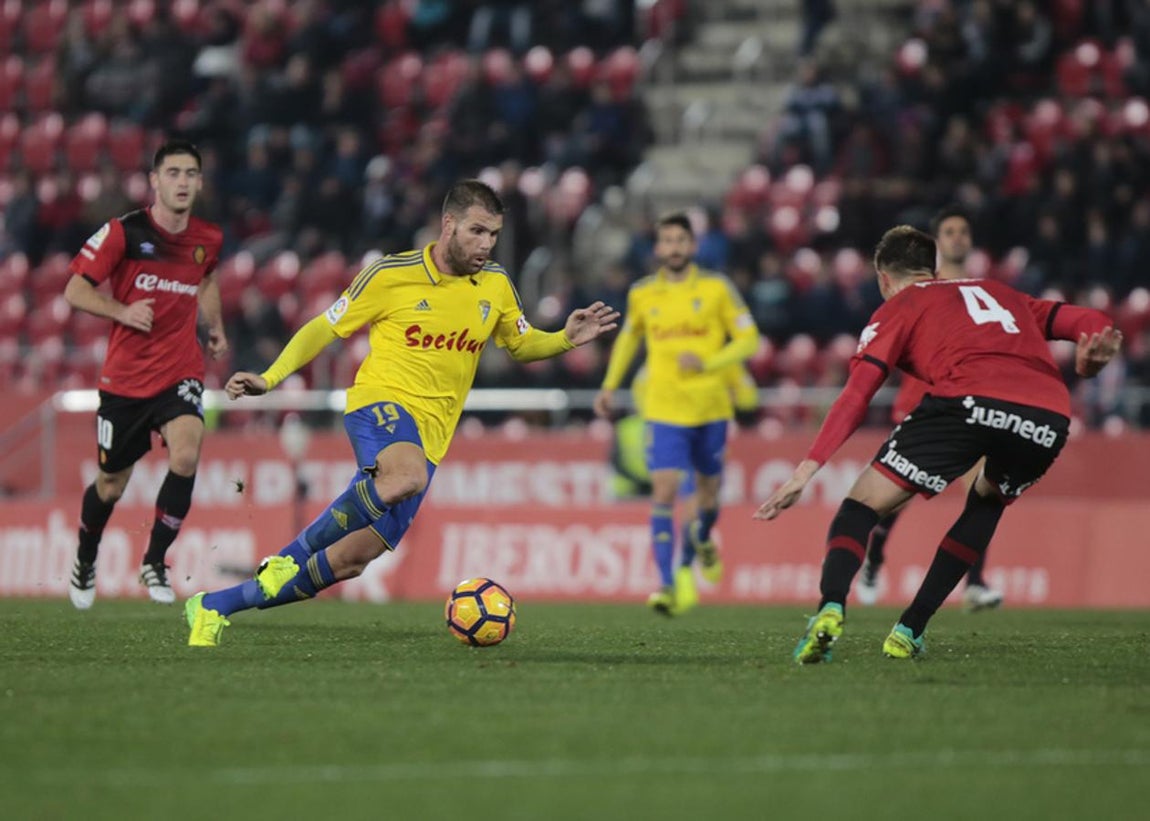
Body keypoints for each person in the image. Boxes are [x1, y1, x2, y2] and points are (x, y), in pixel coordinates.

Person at [185, 179, 618, 647]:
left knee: (351, 560)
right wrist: (271, 377)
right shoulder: (391, 274)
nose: (485, 244)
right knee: (403, 477)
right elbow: (324, 328)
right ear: (448, 224)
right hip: (380, 403)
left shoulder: (494, 284)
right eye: (476, 231)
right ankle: (291, 554)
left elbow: (519, 342)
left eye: (492, 234)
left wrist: (563, 339)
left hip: (431, 439)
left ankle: (213, 606)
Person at [754, 225, 1121, 663]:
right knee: (987, 501)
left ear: (883, 277)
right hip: (1047, 415)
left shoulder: (899, 306)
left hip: (968, 401)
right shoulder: (999, 292)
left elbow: (857, 393)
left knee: (860, 506)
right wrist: (1097, 348)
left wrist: (807, 468)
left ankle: (830, 608)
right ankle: (909, 629)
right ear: (933, 267)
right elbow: (1087, 321)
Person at [65, 139, 226, 610]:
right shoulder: (123, 233)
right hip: (125, 381)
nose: (182, 182)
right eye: (173, 173)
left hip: (180, 370)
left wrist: (214, 327)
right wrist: (121, 310)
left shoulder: (206, 240)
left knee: (187, 452)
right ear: (154, 181)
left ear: (199, 182)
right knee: (111, 484)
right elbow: (75, 290)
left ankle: (155, 560)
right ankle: (85, 556)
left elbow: (209, 278)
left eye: (190, 174)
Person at [594, 214, 760, 616]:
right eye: (666, 240)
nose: (673, 247)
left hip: (710, 406)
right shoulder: (643, 294)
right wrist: (610, 385)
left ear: (692, 246)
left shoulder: (717, 289)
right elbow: (629, 339)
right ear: (657, 248)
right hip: (664, 409)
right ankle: (667, 584)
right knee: (665, 491)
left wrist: (709, 363)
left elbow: (748, 339)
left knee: (707, 494)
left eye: (680, 240)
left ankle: (702, 537)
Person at [857, 205, 1004, 612]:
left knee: (984, 489)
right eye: (950, 232)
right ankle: (874, 560)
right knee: (899, 497)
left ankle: (974, 583)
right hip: (920, 400)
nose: (958, 237)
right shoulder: (920, 289)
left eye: (963, 231)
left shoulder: (982, 290)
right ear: (935, 244)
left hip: (970, 402)